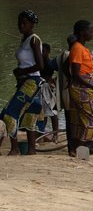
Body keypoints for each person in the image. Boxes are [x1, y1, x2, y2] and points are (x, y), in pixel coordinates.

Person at [0, 10, 45, 155]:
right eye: (19, 22)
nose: (21, 25)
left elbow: (40, 65)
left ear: (32, 24)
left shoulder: (34, 39)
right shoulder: (24, 39)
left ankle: (15, 149)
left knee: (9, 113)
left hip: (32, 81)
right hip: (25, 82)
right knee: (30, 114)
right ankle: (31, 149)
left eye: (24, 23)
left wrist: (21, 71)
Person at [69, 20, 93, 156]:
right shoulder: (77, 48)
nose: (92, 33)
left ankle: (84, 151)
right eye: (90, 31)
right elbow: (76, 74)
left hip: (85, 88)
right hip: (81, 88)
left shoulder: (81, 48)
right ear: (81, 33)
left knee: (82, 120)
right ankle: (77, 149)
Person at [40, 43, 59, 140]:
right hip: (42, 87)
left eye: (43, 51)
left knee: (52, 112)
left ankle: (55, 134)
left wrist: (52, 80)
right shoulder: (40, 62)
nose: (41, 53)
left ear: (48, 52)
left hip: (47, 88)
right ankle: (42, 133)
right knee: (43, 112)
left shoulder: (49, 63)